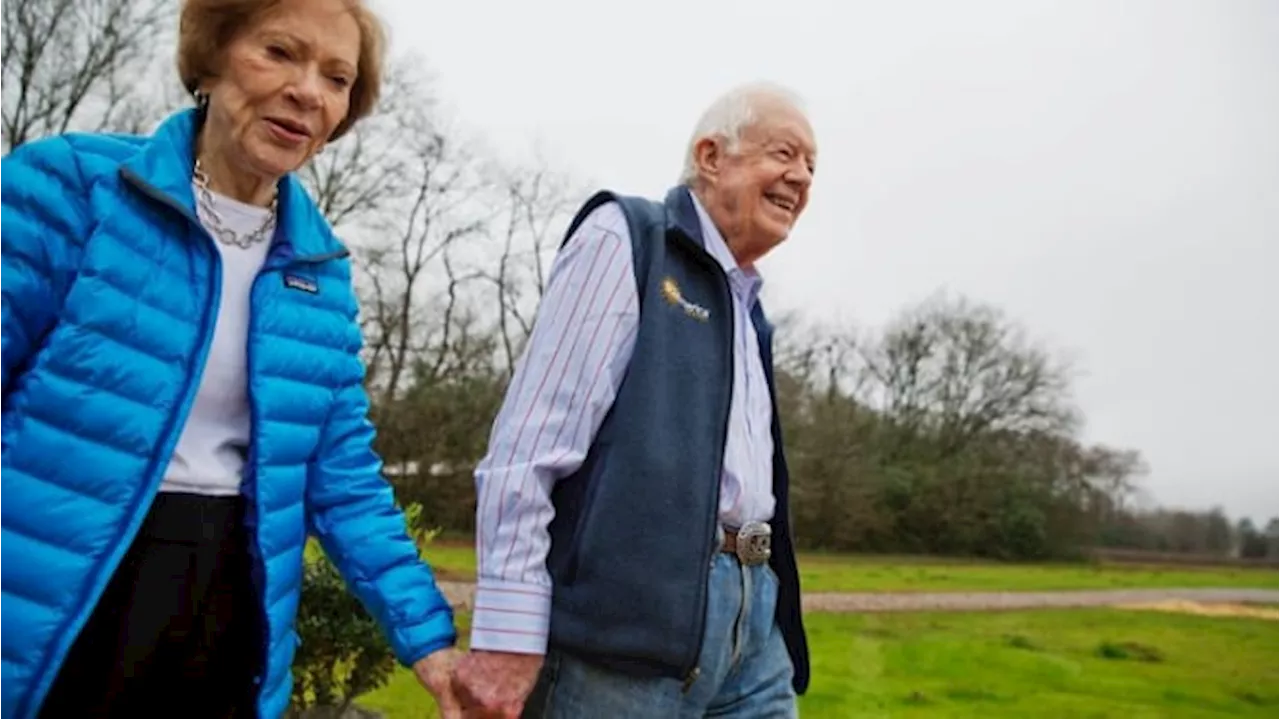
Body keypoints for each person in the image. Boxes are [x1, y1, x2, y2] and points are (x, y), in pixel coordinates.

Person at [0, 0, 461, 716]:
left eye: (337, 78)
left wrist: (429, 641)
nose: (309, 90)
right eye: (280, 52)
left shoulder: (318, 269)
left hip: (228, 606)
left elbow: (343, 481)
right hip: (63, 591)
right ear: (211, 59)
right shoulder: (70, 187)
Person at [450, 83, 819, 718]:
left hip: (755, 635)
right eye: (784, 154)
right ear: (710, 155)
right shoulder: (629, 238)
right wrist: (506, 635)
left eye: (812, 167)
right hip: (623, 643)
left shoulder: (751, 313)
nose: (801, 178)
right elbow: (528, 449)